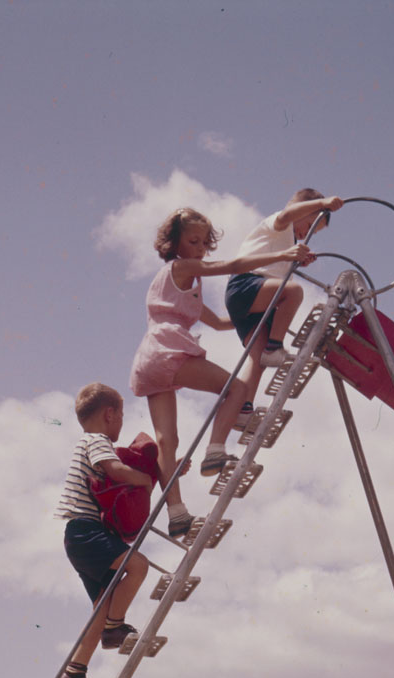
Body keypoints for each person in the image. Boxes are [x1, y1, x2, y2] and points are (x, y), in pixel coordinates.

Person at [130, 207, 317, 538]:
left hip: (149, 360)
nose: (200, 249)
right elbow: (229, 266)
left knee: (166, 440)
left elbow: (217, 322)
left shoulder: (178, 286)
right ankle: (215, 452)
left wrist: (257, 313)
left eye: (204, 242)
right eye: (193, 241)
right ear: (174, 243)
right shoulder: (181, 267)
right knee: (235, 389)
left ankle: (176, 513)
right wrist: (283, 254)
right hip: (167, 348)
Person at [54, 383, 152, 678]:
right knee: (139, 566)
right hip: (86, 530)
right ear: (110, 415)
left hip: (78, 536)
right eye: (122, 416)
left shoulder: (85, 442)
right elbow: (115, 470)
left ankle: (75, 673)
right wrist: (145, 479)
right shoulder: (96, 441)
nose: (122, 423)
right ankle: (114, 628)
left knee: (102, 602)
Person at [224, 190, 343, 427]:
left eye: (313, 233)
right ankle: (275, 347)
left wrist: (298, 260)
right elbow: (288, 214)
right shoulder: (278, 223)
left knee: (256, 361)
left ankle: (243, 408)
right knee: (294, 291)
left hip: (254, 304)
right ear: (302, 210)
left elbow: (278, 264)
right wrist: (323, 203)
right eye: (309, 226)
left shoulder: (288, 242)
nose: (306, 235)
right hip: (246, 285)